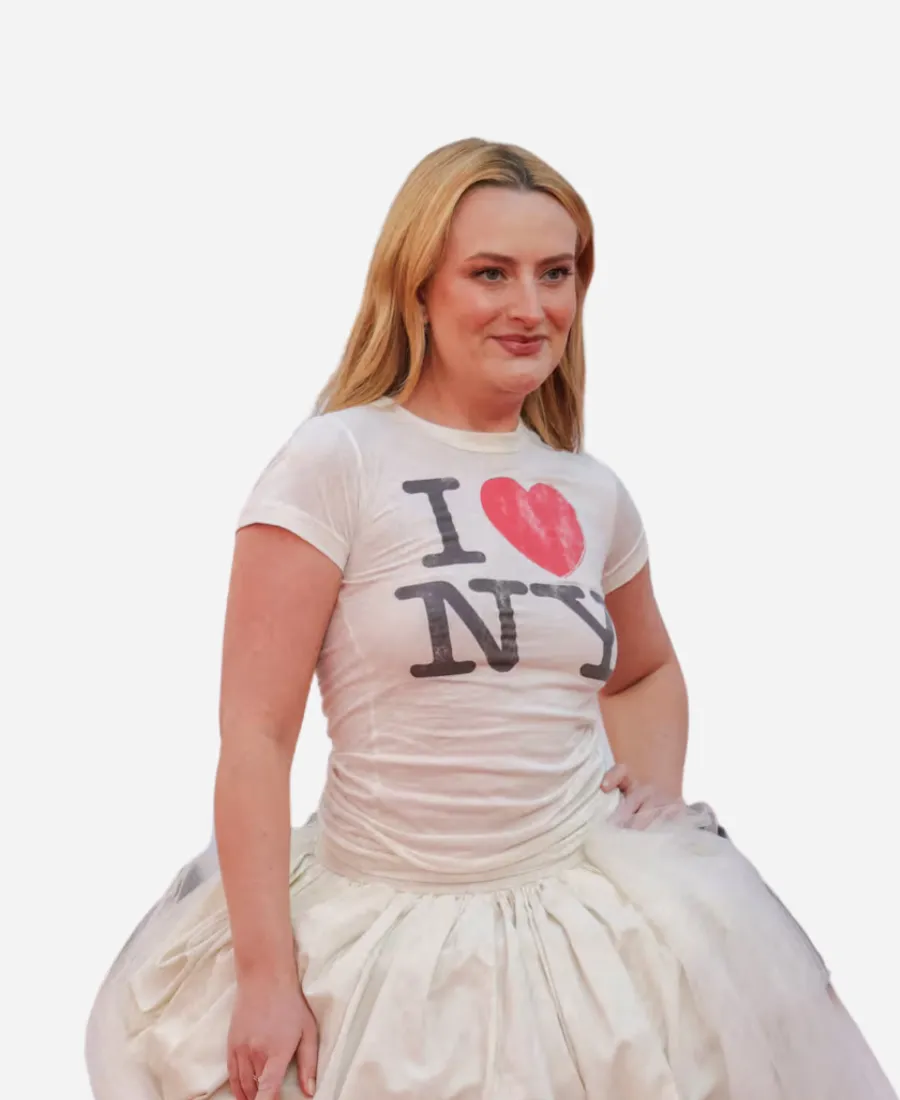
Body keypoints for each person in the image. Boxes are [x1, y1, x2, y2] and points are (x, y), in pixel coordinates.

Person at [84, 137, 896, 1100]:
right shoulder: (336, 461)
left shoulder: (592, 491)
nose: (532, 306)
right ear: (417, 289)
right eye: (490, 273)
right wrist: (267, 977)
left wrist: (655, 804)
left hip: (587, 933)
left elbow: (642, 668)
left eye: (557, 273)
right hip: (383, 932)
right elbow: (256, 735)